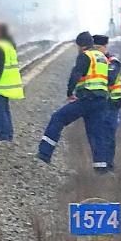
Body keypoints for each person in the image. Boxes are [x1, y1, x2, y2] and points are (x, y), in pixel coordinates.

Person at [37, 32, 111, 173]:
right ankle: (101, 170)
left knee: (58, 118)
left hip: (87, 99)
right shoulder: (102, 57)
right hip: (101, 101)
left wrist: (70, 93)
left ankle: (44, 154)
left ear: (80, 45)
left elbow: (75, 74)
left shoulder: (85, 56)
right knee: (96, 134)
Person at [92, 34, 121, 171]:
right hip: (98, 104)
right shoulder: (92, 61)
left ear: (105, 47)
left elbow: (109, 78)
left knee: (109, 134)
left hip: (112, 104)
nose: (97, 51)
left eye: (99, 48)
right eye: (95, 48)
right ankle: (100, 164)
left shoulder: (113, 62)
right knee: (98, 134)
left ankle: (108, 165)